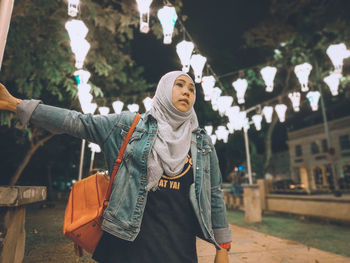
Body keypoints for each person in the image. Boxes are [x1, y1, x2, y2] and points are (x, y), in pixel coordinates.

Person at [0, 71, 231, 263]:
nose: (187, 91)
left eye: (191, 89)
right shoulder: (128, 126)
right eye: (179, 85)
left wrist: (222, 247)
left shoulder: (200, 142)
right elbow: (76, 122)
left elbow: (214, 193)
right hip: (128, 246)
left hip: (179, 250)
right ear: (163, 91)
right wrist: (17, 105)